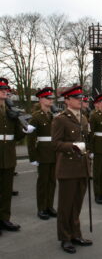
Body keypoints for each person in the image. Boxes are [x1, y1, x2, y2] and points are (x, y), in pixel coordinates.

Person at [51, 86, 92, 254]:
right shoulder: (61, 119)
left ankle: (76, 234)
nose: (80, 100)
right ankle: (65, 238)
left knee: (77, 204)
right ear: (67, 100)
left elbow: (87, 139)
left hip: (82, 167)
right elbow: (55, 144)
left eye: (81, 97)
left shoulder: (83, 118)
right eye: (76, 98)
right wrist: (73, 146)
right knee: (66, 206)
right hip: (68, 169)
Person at [0, 78, 26, 234]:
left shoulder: (9, 110)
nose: (4, 91)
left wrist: (16, 120)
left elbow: (18, 136)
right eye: (1, 89)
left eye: (6, 89)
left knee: (6, 189)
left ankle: (4, 219)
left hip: (8, 154)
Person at [27, 87, 57, 220]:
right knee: (43, 182)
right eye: (47, 98)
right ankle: (41, 208)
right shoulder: (36, 117)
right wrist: (32, 156)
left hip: (53, 152)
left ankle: (49, 206)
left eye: (51, 98)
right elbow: (31, 138)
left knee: (52, 181)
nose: (50, 100)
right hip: (43, 152)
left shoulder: (53, 116)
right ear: (40, 99)